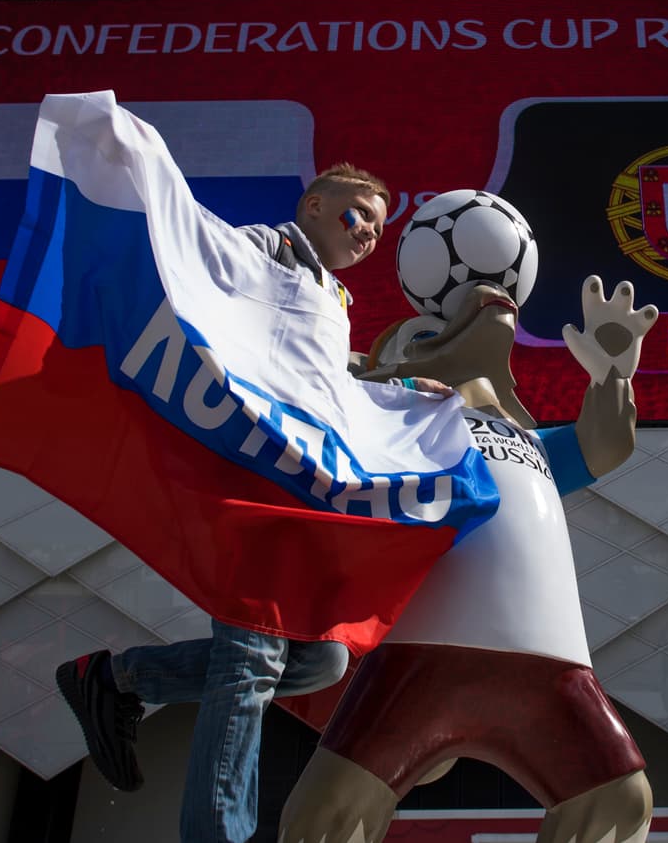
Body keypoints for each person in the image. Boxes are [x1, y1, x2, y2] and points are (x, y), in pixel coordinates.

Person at [55, 163, 448, 843]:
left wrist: (405, 385)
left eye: (380, 227)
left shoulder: (334, 296)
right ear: (316, 205)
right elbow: (196, 259)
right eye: (358, 214)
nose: (370, 234)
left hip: (298, 487)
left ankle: (119, 680)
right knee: (252, 655)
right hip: (245, 471)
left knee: (318, 660)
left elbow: (326, 379)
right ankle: (218, 831)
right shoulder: (267, 249)